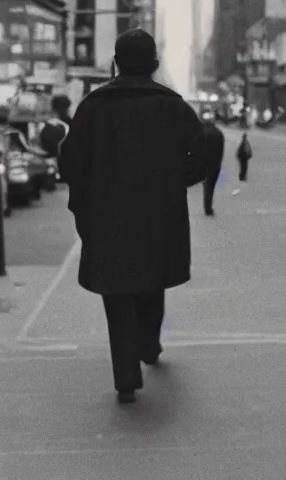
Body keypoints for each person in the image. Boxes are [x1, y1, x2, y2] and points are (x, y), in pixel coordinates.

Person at [58, 29, 207, 405]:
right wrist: (178, 180)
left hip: (108, 217)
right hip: (158, 216)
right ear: (154, 64)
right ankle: (149, 344)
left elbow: (70, 160)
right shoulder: (172, 106)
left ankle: (126, 377)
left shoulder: (92, 107)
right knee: (152, 280)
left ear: (116, 63)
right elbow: (202, 152)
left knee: (118, 292)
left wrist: (90, 195)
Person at [201, 110, 225, 216]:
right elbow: (221, 150)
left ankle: (207, 207)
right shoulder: (219, 133)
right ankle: (208, 207)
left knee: (206, 185)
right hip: (215, 163)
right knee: (211, 186)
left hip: (203, 162)